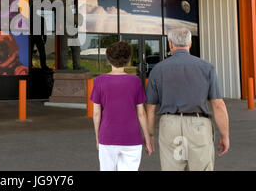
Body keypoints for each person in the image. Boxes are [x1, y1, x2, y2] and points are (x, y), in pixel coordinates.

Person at [145, 27, 230, 171]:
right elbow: (218, 105)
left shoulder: (158, 69)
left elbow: (150, 107)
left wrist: (150, 135)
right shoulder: (207, 68)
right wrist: (225, 134)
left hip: (169, 125)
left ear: (170, 44)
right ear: (190, 43)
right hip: (198, 125)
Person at [90, 41, 152, 171]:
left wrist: (98, 137)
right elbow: (141, 113)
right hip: (132, 138)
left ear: (108, 59)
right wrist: (147, 139)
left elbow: (96, 114)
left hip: (107, 137)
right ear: (128, 60)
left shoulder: (99, 81)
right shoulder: (135, 81)